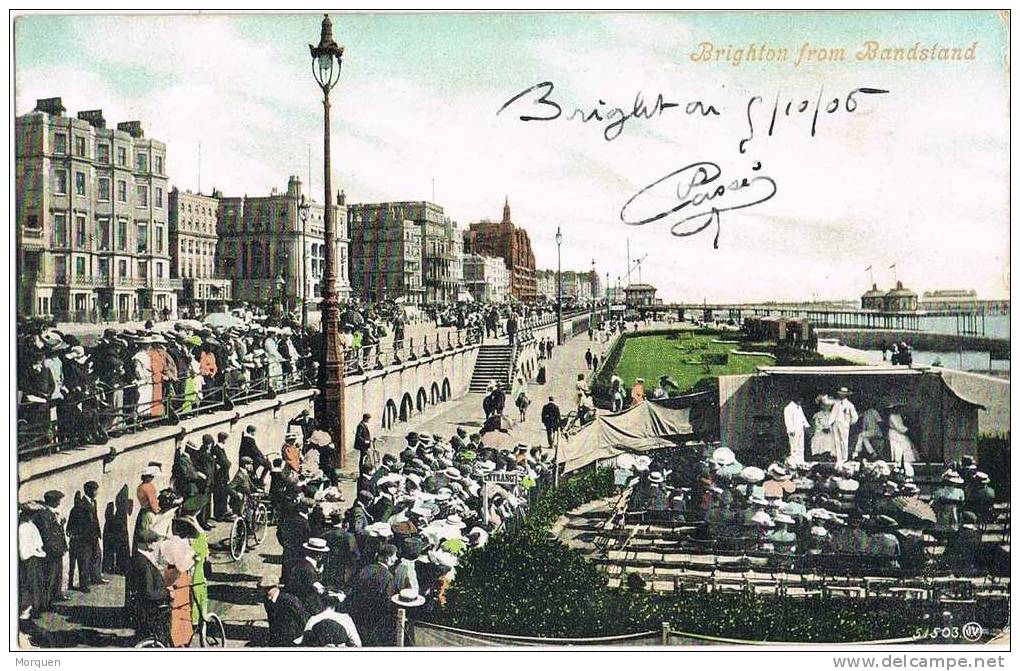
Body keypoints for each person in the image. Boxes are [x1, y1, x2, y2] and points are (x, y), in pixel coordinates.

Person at [349, 544, 398, 647]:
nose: (396, 558)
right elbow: (387, 601)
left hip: (359, 613)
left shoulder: (365, 569)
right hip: (376, 618)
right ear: (387, 558)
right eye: (394, 556)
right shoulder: (389, 576)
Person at [66, 480, 105, 593]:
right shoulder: (81, 505)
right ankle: (83, 585)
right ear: (90, 491)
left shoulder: (93, 502)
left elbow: (95, 519)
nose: (97, 492)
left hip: (93, 536)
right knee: (84, 561)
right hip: (84, 539)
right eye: (96, 490)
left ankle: (94, 578)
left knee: (95, 557)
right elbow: (76, 522)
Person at [37, 490, 69, 611]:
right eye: (58, 500)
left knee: (57, 575)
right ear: (53, 501)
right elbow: (47, 534)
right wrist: (55, 549)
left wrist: (61, 524)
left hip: (57, 550)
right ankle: (46, 603)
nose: (60, 502)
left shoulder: (54, 513)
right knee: (50, 577)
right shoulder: (45, 514)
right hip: (51, 551)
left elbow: (58, 532)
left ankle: (55, 596)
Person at [286, 537, 330, 616]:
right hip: (307, 605)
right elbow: (319, 589)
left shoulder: (301, 563)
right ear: (319, 555)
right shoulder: (308, 569)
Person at [262, 581, 309, 647]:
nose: (266, 591)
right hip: (276, 637)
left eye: (269, 588)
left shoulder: (289, 600)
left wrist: (301, 636)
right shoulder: (267, 600)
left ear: (276, 587)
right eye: (264, 588)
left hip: (293, 638)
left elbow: (303, 617)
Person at [828, 387, 858, 464]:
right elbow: (833, 414)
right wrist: (830, 423)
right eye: (841, 394)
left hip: (844, 424)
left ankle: (845, 458)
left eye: (844, 394)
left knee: (844, 441)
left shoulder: (849, 404)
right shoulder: (836, 403)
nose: (842, 396)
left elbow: (855, 417)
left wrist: (848, 423)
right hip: (836, 423)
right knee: (837, 441)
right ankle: (839, 458)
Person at [886, 403, 917, 478]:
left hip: (900, 434)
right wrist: (908, 431)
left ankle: (908, 462)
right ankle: (898, 464)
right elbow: (898, 426)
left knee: (906, 445)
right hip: (894, 434)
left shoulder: (898, 415)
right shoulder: (892, 416)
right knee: (898, 449)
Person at [211, 431, 233, 521]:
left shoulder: (221, 448)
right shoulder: (217, 449)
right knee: (219, 495)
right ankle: (219, 515)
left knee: (223, 495)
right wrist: (227, 464)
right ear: (223, 439)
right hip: (219, 477)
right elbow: (224, 462)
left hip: (223, 476)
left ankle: (223, 511)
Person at [782, 398, 810, 465]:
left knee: (801, 446)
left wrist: (806, 425)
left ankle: (801, 461)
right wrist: (791, 429)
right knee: (794, 447)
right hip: (794, 430)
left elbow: (803, 417)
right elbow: (788, 420)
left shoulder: (799, 407)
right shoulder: (788, 408)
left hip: (800, 428)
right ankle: (794, 462)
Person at [354, 413, 373, 480]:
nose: (368, 420)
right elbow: (358, 436)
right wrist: (365, 441)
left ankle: (363, 472)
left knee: (364, 458)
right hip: (363, 446)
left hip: (365, 445)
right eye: (368, 419)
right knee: (363, 459)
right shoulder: (361, 425)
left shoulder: (363, 425)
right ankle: (362, 473)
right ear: (365, 418)